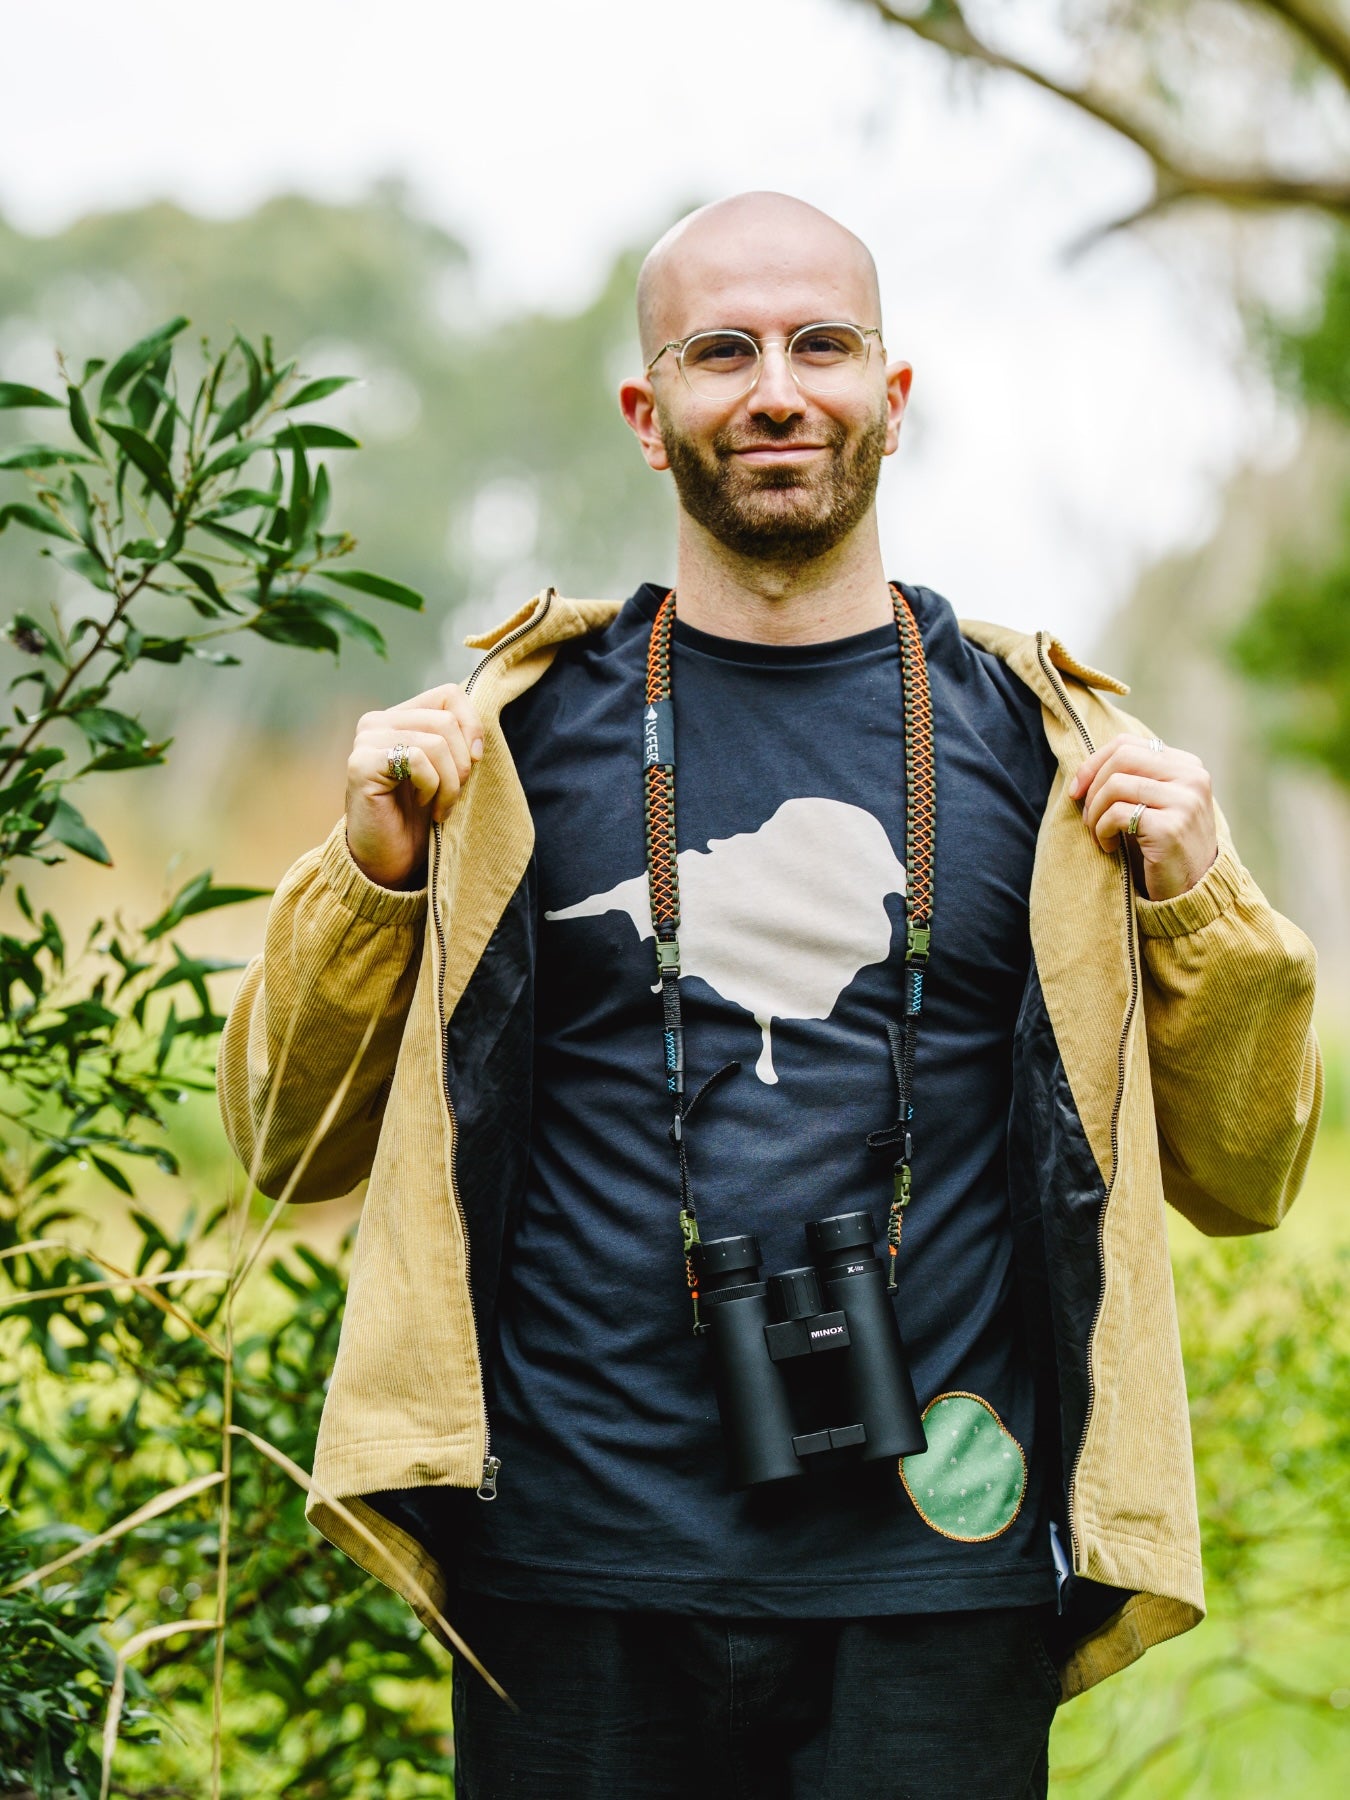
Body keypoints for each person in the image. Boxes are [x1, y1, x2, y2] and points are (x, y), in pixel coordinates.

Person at [219, 192, 1322, 1799]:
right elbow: (277, 1137)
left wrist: (1198, 898)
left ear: (893, 390)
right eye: (719, 350)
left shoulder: (1046, 751)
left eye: (822, 343)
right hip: (574, 1559)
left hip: (940, 1560)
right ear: (646, 413)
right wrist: (371, 872)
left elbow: (1249, 1170)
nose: (775, 387)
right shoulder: (507, 747)